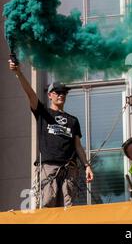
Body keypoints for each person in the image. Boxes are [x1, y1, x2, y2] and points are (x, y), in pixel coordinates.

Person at [9, 59, 94, 208]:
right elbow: (30, 93)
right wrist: (19, 73)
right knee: (48, 203)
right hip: (49, 167)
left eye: (64, 92)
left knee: (69, 206)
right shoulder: (43, 113)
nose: (61, 95)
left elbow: (78, 146)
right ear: (50, 95)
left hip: (69, 168)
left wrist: (87, 165)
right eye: (58, 92)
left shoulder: (73, 120)